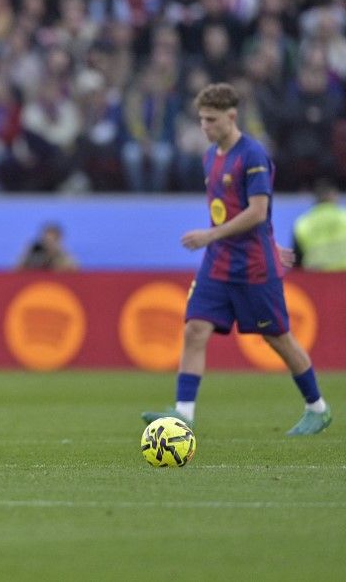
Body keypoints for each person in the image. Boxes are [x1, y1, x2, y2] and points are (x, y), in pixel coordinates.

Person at [142, 83, 332, 436]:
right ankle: (184, 414)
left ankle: (317, 407)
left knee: (278, 338)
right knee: (195, 329)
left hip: (252, 268)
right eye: (201, 119)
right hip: (218, 263)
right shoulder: (209, 156)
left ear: (232, 116)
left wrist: (213, 236)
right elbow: (231, 211)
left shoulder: (253, 155)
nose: (205, 127)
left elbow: (258, 212)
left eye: (211, 120)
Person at [292, 178, 346, 271]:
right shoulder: (343, 217)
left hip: (315, 276)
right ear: (333, 195)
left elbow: (297, 260)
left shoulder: (303, 223)